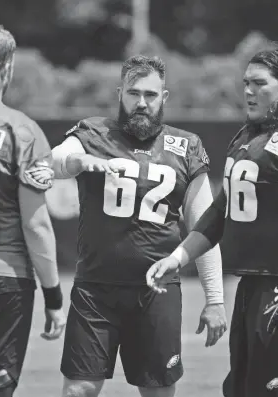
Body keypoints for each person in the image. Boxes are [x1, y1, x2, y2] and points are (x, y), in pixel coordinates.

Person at [49, 55, 227, 397]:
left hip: (156, 293)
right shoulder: (93, 132)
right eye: (133, 93)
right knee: (78, 390)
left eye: (150, 94)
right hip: (95, 289)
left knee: (157, 392)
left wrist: (215, 299)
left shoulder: (186, 146)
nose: (141, 103)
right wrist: (77, 160)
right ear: (120, 94)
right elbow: (54, 160)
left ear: (165, 97)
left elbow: (205, 229)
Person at [146, 48, 278, 397]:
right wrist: (176, 258)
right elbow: (219, 212)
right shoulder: (247, 137)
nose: (249, 91)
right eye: (246, 83)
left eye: (260, 84)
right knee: (242, 387)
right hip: (251, 286)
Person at [0, 25, 66, 397]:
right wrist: (54, 297)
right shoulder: (23, 130)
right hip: (3, 279)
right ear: (7, 68)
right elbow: (36, 225)